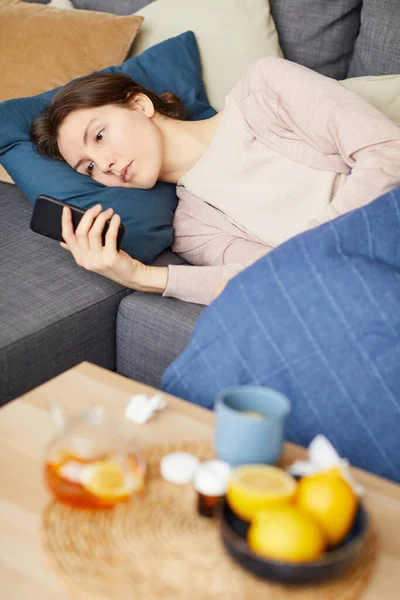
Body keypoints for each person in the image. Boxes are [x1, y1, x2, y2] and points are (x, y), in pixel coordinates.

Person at [31, 57, 400, 305]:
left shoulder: (265, 85)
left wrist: (313, 249)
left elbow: (387, 153)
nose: (105, 165)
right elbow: (269, 282)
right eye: (89, 169)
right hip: (364, 285)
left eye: (98, 137)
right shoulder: (192, 227)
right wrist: (138, 276)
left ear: (139, 105)